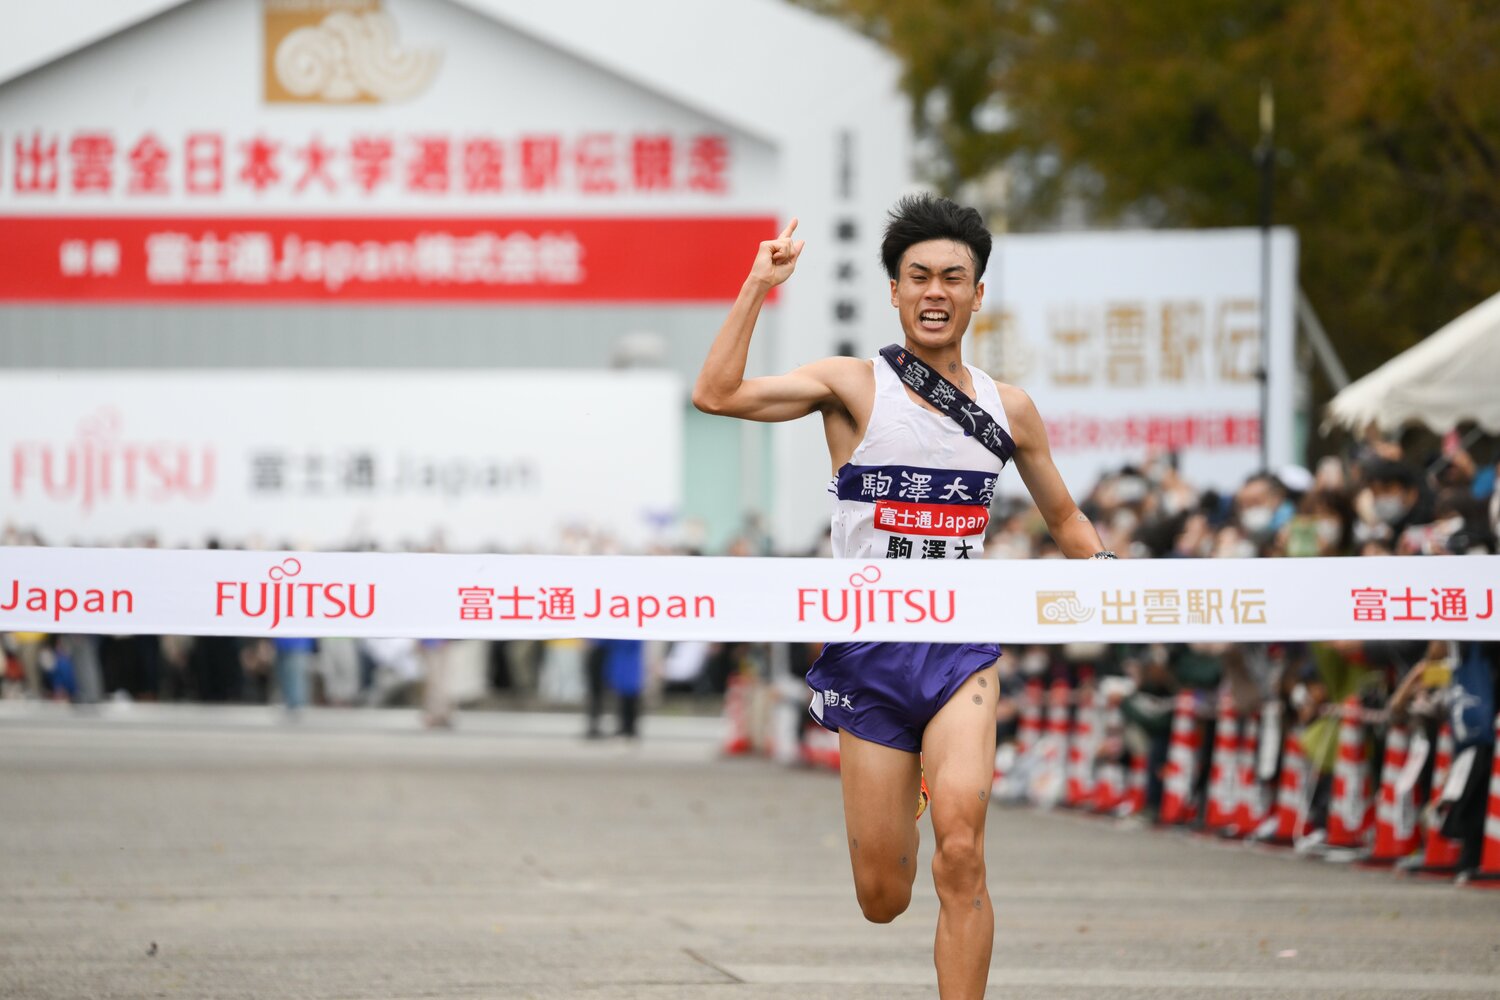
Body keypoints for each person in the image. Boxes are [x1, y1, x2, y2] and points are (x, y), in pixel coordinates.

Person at [692, 194, 1109, 1000]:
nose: (936, 291)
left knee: (964, 850)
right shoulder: (852, 385)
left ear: (978, 293)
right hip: (867, 654)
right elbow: (717, 395)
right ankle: (903, 796)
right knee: (883, 898)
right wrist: (756, 286)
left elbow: (1065, 516)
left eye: (954, 277)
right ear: (894, 289)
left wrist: (1118, 581)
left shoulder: (1008, 408)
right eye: (919, 275)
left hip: (960, 652)